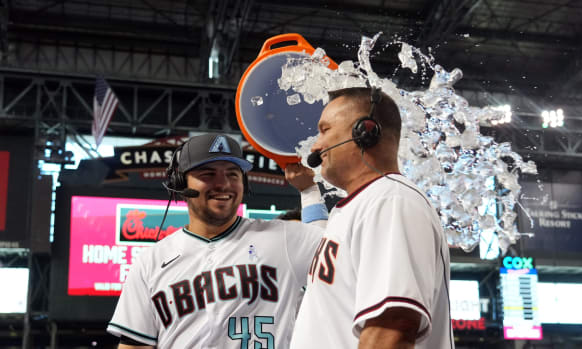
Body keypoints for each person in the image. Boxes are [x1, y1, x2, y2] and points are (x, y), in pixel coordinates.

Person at [107, 133, 327, 348]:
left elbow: (332, 250)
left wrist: (309, 191)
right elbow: (135, 345)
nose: (223, 184)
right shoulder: (151, 262)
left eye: (233, 174)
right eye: (208, 174)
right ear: (181, 182)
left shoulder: (283, 239)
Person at [290, 87, 454, 348]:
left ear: (365, 132)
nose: (315, 145)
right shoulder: (361, 206)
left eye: (325, 130)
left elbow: (391, 329)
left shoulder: (391, 201)